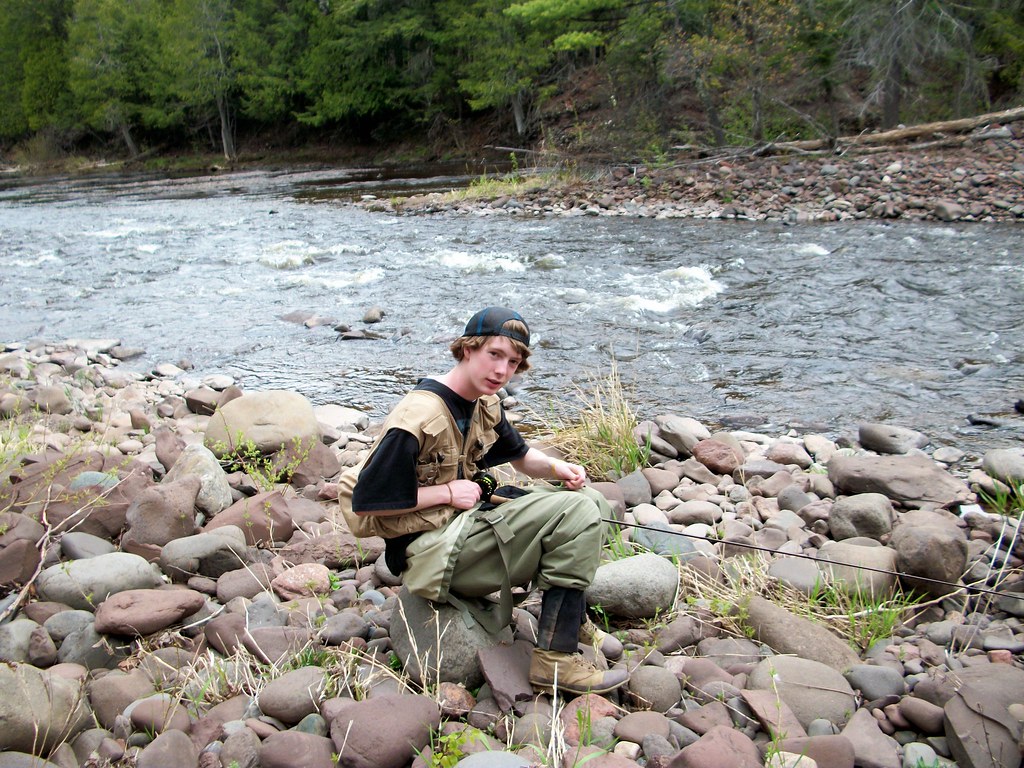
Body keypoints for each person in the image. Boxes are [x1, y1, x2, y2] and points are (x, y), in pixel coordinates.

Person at [338, 307, 627, 696]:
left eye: (513, 361)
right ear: (467, 349)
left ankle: (566, 617)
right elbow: (366, 502)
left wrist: (559, 467)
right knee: (574, 513)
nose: (502, 370)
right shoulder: (419, 415)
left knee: (590, 500)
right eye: (494, 355)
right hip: (430, 555)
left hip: (462, 533)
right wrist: (446, 492)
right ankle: (554, 662)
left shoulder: (483, 402)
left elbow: (522, 458)